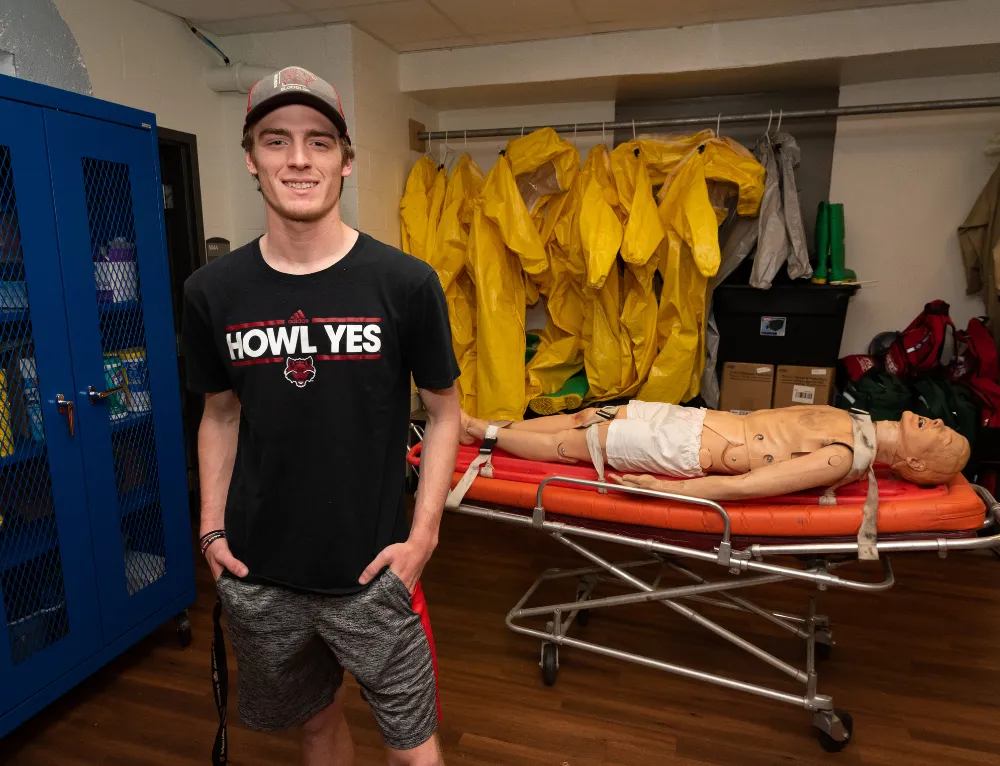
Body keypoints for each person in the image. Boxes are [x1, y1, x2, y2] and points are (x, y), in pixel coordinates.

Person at [181, 66, 461, 766]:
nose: (298, 159)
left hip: (376, 574)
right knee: (314, 726)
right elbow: (219, 413)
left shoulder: (405, 283)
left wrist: (423, 538)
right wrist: (211, 528)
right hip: (262, 574)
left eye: (319, 141)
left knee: (414, 749)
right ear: (251, 158)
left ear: (345, 158)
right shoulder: (212, 290)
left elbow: (446, 410)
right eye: (276, 141)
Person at [458, 402, 970, 499]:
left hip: (683, 446)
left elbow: (745, 485)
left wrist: (665, 490)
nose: (940, 423)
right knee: (585, 416)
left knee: (570, 446)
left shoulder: (842, 458)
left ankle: (486, 434)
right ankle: (496, 425)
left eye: (943, 436)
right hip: (693, 419)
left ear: (916, 464)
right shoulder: (857, 423)